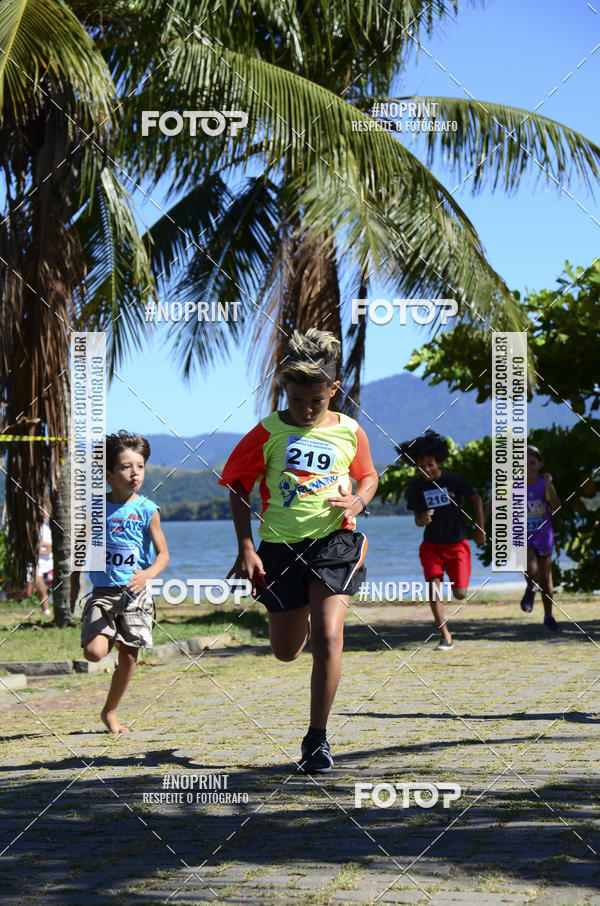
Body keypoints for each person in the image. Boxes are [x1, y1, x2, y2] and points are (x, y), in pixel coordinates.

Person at [220, 328, 378, 773]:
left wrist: (359, 501)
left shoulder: (350, 430)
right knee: (286, 651)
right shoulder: (268, 431)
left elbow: (369, 476)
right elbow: (237, 485)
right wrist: (246, 547)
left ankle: (317, 739)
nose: (306, 409)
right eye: (296, 400)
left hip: (335, 542)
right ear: (284, 391)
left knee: (330, 638)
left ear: (334, 389)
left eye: (316, 400)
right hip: (279, 550)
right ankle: (302, 611)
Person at [70, 431, 169, 733]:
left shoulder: (147, 510)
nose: (134, 473)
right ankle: (108, 631)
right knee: (94, 652)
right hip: (102, 593)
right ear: (109, 474)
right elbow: (79, 548)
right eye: (126, 467)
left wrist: (148, 574)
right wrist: (75, 585)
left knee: (128, 659)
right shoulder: (95, 509)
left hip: (136, 595)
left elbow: (164, 555)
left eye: (139, 466)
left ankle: (110, 712)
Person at [398, 431, 485, 651]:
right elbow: (417, 519)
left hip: (457, 544)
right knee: (434, 589)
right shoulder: (417, 487)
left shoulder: (453, 480)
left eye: (430, 464)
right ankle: (445, 635)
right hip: (432, 546)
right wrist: (422, 519)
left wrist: (480, 528)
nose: (426, 469)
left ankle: (454, 587)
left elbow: (476, 499)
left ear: (439, 462)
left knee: (460, 594)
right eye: (420, 466)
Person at [520, 445, 561, 631]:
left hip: (544, 535)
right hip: (523, 536)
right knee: (531, 567)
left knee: (546, 578)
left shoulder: (544, 484)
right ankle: (530, 589)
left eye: (533, 462)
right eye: (524, 462)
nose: (529, 466)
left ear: (540, 464)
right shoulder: (514, 484)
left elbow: (557, 506)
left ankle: (548, 616)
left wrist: (547, 486)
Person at [26, 515, 54, 617]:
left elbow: (50, 548)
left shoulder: (47, 529)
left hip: (47, 565)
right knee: (30, 592)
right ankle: (5, 594)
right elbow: (31, 546)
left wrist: (44, 546)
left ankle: (46, 612)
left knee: (40, 589)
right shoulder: (33, 528)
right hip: (33, 565)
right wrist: (46, 546)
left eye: (46, 513)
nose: (44, 516)